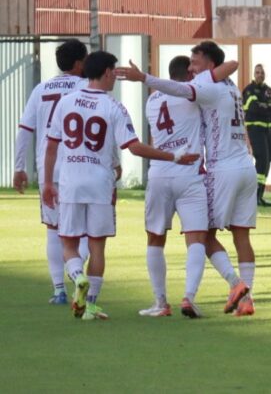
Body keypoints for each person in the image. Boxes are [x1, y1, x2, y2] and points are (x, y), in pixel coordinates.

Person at [42, 51, 200, 321]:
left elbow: (51, 146)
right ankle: (90, 305)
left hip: (70, 181)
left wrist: (47, 182)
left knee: (68, 243)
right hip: (100, 183)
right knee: (97, 246)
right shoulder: (114, 107)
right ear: (105, 72)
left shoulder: (66, 103)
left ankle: (78, 277)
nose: (115, 76)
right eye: (114, 71)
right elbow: (135, 148)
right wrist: (174, 156)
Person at [119, 41, 258, 316]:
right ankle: (246, 299)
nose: (193, 68)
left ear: (209, 66)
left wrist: (145, 79)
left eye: (196, 63)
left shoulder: (195, 90)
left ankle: (233, 286)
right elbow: (231, 65)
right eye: (190, 65)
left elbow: (183, 89)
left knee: (202, 235)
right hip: (245, 167)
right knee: (241, 237)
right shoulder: (231, 87)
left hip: (218, 170)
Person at [140, 55, 237, 319]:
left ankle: (160, 302)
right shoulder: (192, 94)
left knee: (155, 238)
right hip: (190, 173)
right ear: (189, 75)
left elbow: (154, 137)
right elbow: (229, 68)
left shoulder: (152, 100)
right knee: (196, 237)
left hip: (160, 173)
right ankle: (189, 297)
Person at [13, 39, 90, 304]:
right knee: (87, 230)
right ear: (80, 63)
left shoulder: (41, 89)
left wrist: (19, 167)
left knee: (53, 230)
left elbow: (25, 130)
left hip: (49, 170)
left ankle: (59, 290)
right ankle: (77, 273)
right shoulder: (86, 87)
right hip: (82, 166)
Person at [242, 64, 271, 207]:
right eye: (257, 72)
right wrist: (270, 107)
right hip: (256, 129)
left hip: (269, 130)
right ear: (254, 74)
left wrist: (265, 106)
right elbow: (253, 107)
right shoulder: (249, 90)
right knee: (262, 160)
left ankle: (259, 195)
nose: (260, 74)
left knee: (268, 159)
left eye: (262, 72)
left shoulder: (268, 90)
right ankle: (254, 195)